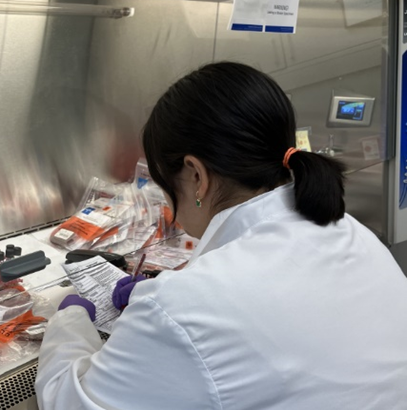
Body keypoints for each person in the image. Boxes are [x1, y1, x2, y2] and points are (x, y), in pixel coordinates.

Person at [35, 62, 407, 409]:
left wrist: (70, 320)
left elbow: (71, 400)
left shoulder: (183, 308)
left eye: (165, 186)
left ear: (196, 175)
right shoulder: (349, 230)